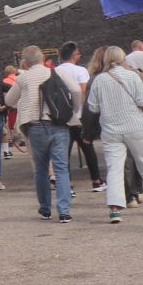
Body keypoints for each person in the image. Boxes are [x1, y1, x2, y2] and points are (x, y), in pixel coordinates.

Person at [86, 45, 143, 222]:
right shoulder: (132, 76)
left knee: (114, 168)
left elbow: (92, 107)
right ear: (123, 58)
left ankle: (115, 209)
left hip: (110, 130)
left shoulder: (99, 80)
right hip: (135, 127)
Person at [12, 44, 74, 223]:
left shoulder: (23, 78)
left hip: (36, 127)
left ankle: (46, 209)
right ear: (42, 59)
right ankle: (64, 212)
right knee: (61, 169)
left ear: (25, 62)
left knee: (41, 169)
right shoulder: (57, 73)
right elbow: (76, 90)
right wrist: (73, 111)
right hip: (59, 125)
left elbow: (9, 100)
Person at [54, 42, 103, 192]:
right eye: (79, 54)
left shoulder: (54, 71)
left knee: (63, 152)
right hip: (80, 116)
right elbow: (83, 92)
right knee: (88, 148)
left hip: (61, 117)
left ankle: (66, 184)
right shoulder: (81, 71)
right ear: (74, 55)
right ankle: (96, 181)